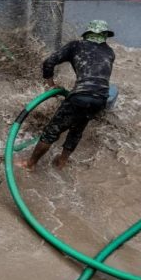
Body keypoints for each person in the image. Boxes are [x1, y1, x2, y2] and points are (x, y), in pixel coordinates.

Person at [19, 20, 116, 170]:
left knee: (51, 132)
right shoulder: (110, 52)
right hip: (101, 99)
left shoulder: (76, 45)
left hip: (80, 96)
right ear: (105, 35)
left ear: (87, 33)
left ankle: (30, 164)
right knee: (77, 128)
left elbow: (48, 62)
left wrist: (50, 85)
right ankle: (62, 161)